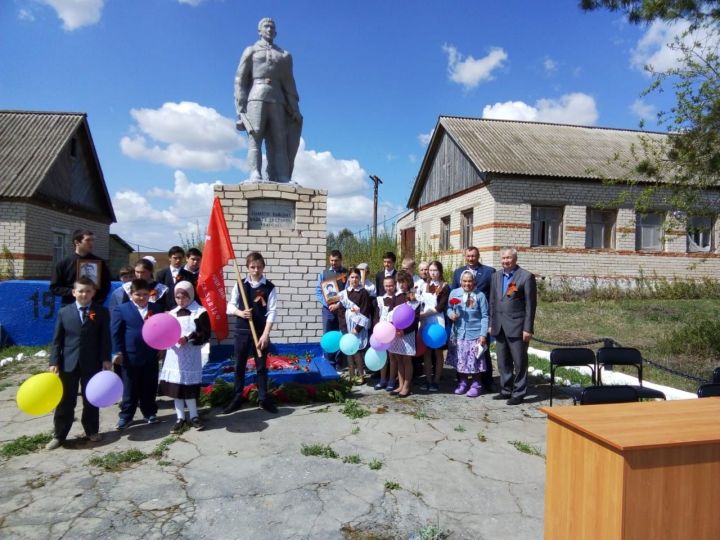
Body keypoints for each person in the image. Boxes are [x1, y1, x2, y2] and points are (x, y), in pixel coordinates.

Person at [46, 277, 111, 450]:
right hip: (68, 363)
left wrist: (106, 359)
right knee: (65, 400)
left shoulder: (101, 312)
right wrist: (54, 361)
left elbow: (105, 338)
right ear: (74, 292)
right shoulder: (64, 312)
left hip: (92, 363)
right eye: (81, 291)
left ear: (93, 293)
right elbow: (57, 340)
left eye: (88, 291)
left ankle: (91, 430)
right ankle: (59, 435)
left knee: (91, 398)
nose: (84, 294)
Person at [234, 17, 302, 182]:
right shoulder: (250, 51)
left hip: (277, 99)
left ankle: (282, 176)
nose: (269, 29)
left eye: (272, 27)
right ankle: (254, 173)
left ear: (276, 32)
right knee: (255, 135)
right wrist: (240, 108)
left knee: (279, 139)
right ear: (259, 30)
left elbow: (289, 83)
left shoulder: (284, 55)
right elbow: (240, 80)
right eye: (266, 26)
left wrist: (294, 108)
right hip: (256, 96)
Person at [223, 251, 278, 414]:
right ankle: (237, 397)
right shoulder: (240, 284)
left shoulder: (269, 287)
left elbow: (272, 311)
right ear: (247, 268)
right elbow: (230, 306)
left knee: (261, 367)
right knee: (239, 365)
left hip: (260, 333)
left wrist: (265, 334)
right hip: (242, 331)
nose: (256, 270)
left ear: (263, 267)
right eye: (252, 267)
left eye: (259, 267)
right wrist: (240, 313)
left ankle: (263, 398)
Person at [111, 278, 164, 429]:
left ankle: (150, 413)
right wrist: (117, 352)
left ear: (150, 294)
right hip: (129, 356)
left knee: (150, 385)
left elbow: (162, 332)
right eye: (138, 294)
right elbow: (115, 332)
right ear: (131, 294)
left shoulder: (157, 308)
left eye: (145, 294)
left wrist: (162, 348)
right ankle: (126, 416)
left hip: (151, 355)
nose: (141, 297)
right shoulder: (121, 309)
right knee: (130, 387)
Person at [158, 281, 210, 432]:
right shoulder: (172, 313)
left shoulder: (199, 312)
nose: (181, 301)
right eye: (177, 297)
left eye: (184, 297)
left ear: (191, 295)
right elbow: (165, 332)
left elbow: (205, 333)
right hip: (174, 356)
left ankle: (194, 416)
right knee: (177, 389)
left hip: (191, 355)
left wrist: (188, 338)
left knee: (189, 388)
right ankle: (180, 418)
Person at [489, 247, 537, 405]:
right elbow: (493, 302)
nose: (505, 261)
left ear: (515, 259)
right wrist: (491, 323)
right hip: (499, 326)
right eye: (503, 258)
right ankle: (505, 390)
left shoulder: (525, 276)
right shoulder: (496, 276)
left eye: (508, 258)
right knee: (502, 361)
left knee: (519, 361)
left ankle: (519, 392)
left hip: (517, 327)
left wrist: (528, 328)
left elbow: (531, 305)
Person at [451, 246, 496, 390]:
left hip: (478, 322)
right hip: (461, 326)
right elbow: (452, 301)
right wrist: (451, 314)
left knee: (481, 354)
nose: (471, 258)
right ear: (465, 256)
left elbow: (492, 296)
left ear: (478, 256)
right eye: (468, 256)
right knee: (461, 354)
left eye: (473, 256)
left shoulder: (489, 272)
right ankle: (462, 381)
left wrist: (489, 323)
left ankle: (485, 382)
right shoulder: (458, 272)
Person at [447, 270, 489, 398]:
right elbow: (449, 308)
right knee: (461, 360)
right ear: (460, 282)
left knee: (475, 361)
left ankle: (476, 384)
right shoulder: (455, 293)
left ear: (474, 282)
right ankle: (463, 382)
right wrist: (451, 314)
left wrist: (483, 334)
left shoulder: (480, 296)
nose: (467, 284)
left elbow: (485, 316)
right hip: (459, 333)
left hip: (474, 334)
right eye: (464, 281)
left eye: (470, 281)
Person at [50, 229, 111, 305]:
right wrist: (76, 292)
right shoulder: (63, 263)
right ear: (77, 242)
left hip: (93, 309)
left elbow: (106, 286)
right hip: (69, 307)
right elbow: (54, 288)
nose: (91, 243)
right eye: (88, 240)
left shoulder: (100, 263)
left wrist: (97, 302)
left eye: (92, 240)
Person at [335, 267, 371, 384]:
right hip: (347, 325)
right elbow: (340, 311)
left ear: (360, 279)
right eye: (352, 277)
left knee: (358, 352)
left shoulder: (363, 292)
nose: (354, 279)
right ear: (348, 279)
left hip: (358, 326)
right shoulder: (344, 294)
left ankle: (360, 375)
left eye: (356, 277)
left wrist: (357, 328)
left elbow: (365, 311)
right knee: (349, 350)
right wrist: (344, 328)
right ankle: (351, 374)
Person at [388, 270, 420, 398]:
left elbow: (415, 317)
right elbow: (391, 314)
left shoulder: (413, 296)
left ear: (409, 282)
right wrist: (394, 328)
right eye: (399, 282)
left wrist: (404, 330)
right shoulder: (396, 296)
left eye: (404, 282)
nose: (401, 285)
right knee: (398, 358)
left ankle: (407, 386)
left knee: (407, 359)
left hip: (408, 333)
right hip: (396, 332)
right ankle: (400, 384)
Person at [419, 261, 449, 392]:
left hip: (437, 321)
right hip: (426, 322)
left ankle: (436, 381)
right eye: (430, 270)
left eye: (435, 270)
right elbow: (421, 302)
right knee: (427, 352)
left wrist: (424, 314)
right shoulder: (425, 285)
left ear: (440, 271)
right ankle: (428, 380)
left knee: (438, 352)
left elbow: (440, 307)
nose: (432, 273)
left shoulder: (445, 286)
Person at [315, 250, 348, 370]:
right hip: (327, 310)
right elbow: (318, 292)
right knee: (328, 335)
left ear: (341, 260)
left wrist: (338, 305)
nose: (333, 263)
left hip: (342, 310)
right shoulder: (323, 274)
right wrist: (327, 304)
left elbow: (348, 292)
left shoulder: (346, 273)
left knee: (341, 334)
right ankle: (329, 363)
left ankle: (339, 363)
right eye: (332, 260)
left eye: (336, 260)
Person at [373, 275, 397, 391]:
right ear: (383, 286)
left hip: (392, 331)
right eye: (386, 286)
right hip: (381, 331)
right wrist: (376, 329)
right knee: (382, 356)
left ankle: (392, 380)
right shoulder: (380, 300)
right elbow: (376, 316)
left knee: (392, 356)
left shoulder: (398, 299)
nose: (389, 288)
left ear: (395, 285)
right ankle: (382, 379)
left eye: (391, 285)